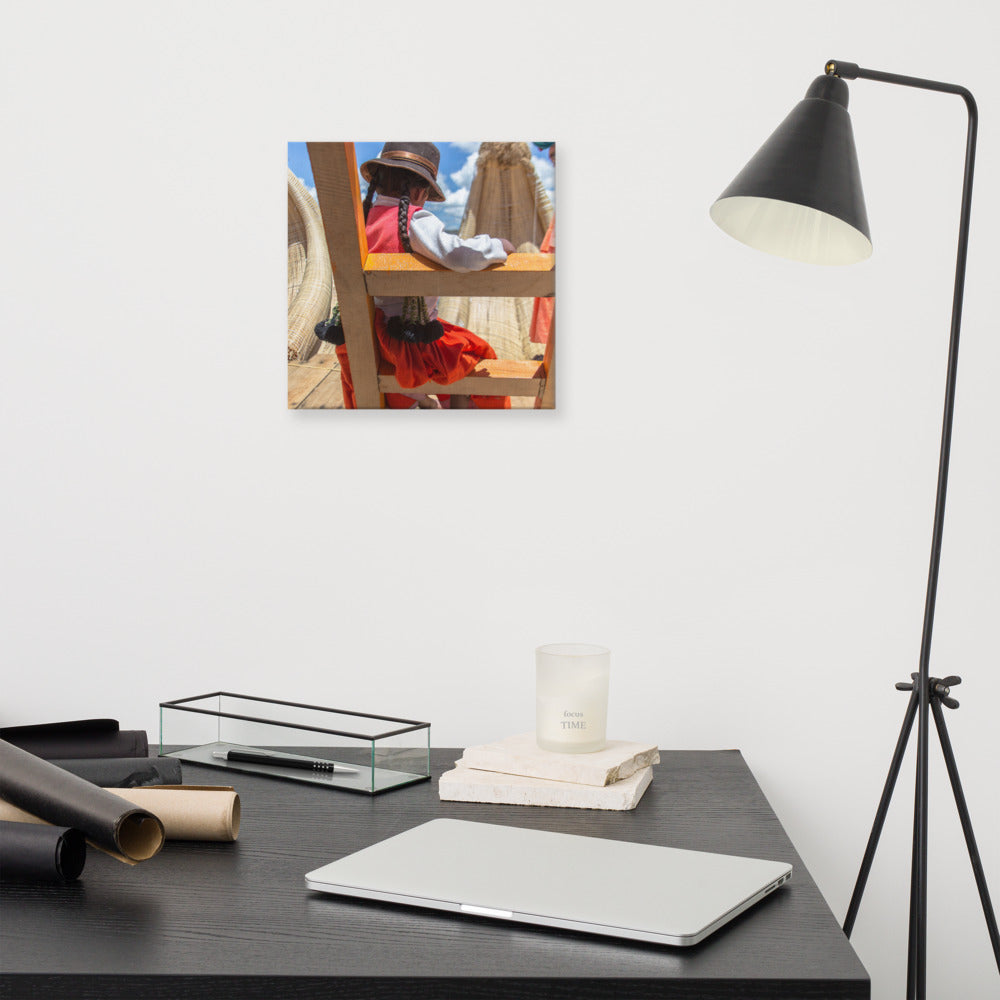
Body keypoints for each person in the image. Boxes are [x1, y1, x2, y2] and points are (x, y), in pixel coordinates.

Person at [338, 142, 514, 409]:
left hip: (369, 337)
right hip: (408, 345)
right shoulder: (415, 221)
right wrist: (497, 245)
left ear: (379, 182)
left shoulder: (364, 219)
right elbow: (459, 255)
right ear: (421, 191)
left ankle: (418, 402)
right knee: (476, 351)